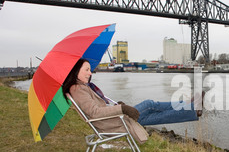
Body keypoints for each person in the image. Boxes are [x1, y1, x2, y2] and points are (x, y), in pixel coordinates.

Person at [62, 58, 202, 144]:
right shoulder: (78, 89)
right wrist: (122, 109)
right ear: (76, 70)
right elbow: (94, 112)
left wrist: (117, 106)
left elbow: (97, 108)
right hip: (111, 123)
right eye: (86, 70)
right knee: (149, 104)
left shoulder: (79, 87)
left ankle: (191, 109)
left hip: (111, 120)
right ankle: (189, 106)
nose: (90, 73)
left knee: (153, 115)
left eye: (90, 69)